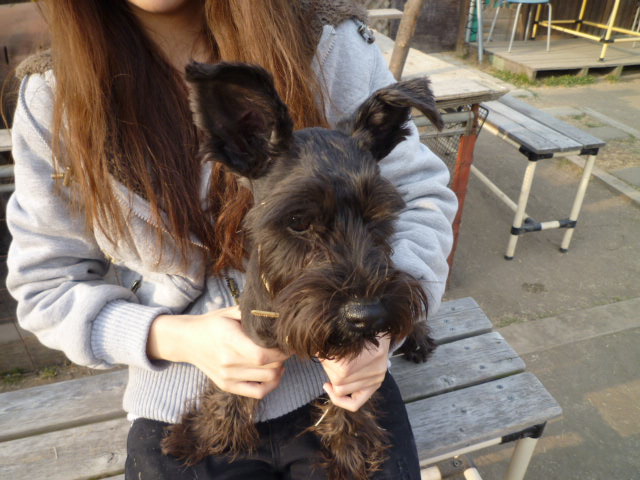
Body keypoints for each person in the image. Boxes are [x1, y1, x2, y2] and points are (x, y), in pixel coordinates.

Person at [7, 0, 457, 478]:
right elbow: (46, 287)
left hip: (347, 377)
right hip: (178, 388)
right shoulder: (52, 95)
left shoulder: (330, 37)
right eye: (300, 224)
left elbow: (420, 196)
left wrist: (389, 333)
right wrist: (174, 338)